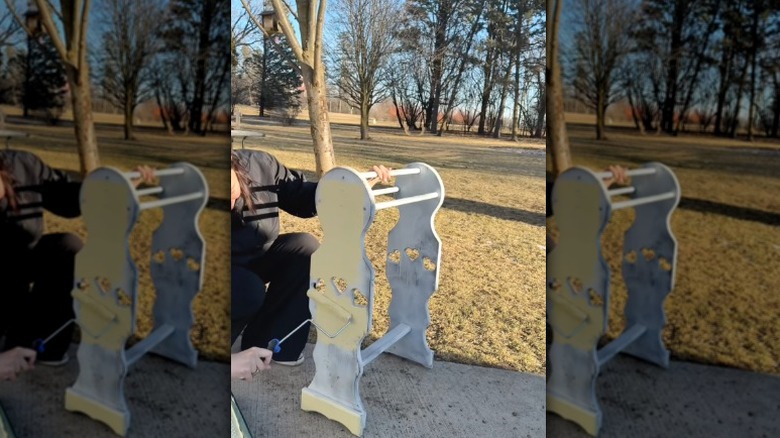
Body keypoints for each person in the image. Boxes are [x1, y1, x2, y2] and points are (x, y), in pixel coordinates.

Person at [230, 149, 391, 366]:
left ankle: (268, 342)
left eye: (231, 191)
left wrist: (351, 188)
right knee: (249, 289)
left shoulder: (260, 165)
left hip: (256, 255)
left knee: (304, 247)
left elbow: (302, 196)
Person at [0, 149, 155, 366]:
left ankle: (41, 343)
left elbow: (68, 197)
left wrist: (117, 185)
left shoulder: (22, 165)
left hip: (21, 258)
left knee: (67, 247)